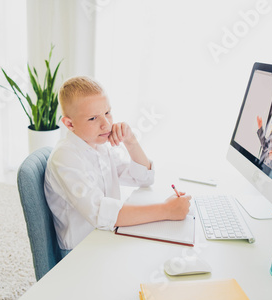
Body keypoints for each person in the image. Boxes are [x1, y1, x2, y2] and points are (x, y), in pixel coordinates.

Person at [44, 76, 191, 252]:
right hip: (83, 248)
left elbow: (143, 179)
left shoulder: (98, 146)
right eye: (93, 118)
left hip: (108, 232)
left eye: (107, 113)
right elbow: (102, 214)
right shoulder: (65, 157)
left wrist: (130, 141)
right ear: (69, 124)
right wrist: (167, 210)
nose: (106, 124)